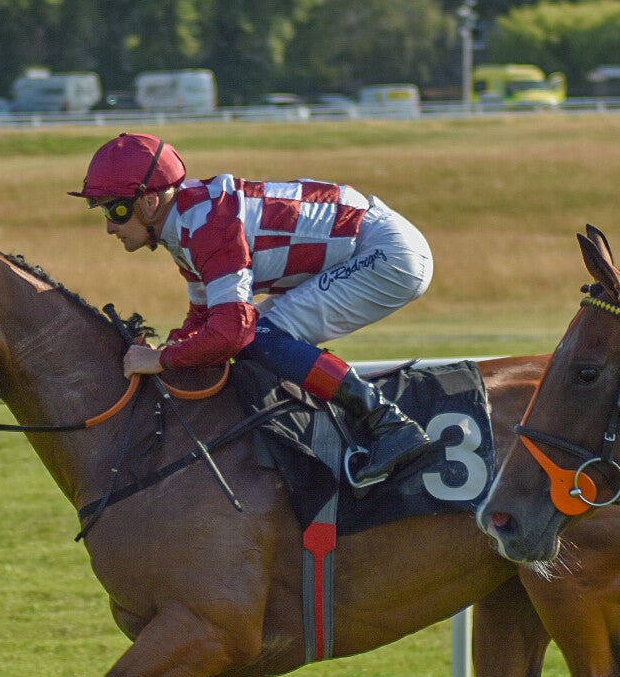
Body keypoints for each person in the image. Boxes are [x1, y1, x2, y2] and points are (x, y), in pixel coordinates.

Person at [70, 132, 440, 487]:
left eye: (116, 210)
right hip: (374, 243)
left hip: (386, 253)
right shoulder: (187, 222)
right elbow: (204, 317)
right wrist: (168, 349)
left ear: (150, 202)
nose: (109, 227)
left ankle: (390, 424)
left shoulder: (207, 226)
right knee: (257, 336)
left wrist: (163, 360)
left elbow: (231, 333)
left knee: (257, 338)